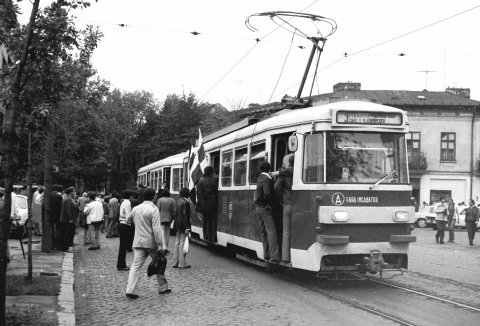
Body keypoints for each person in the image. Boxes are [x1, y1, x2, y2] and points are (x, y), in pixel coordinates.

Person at [125, 187, 170, 299]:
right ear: (154, 197)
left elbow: (128, 220)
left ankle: (130, 290)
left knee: (135, 266)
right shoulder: (153, 209)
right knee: (159, 263)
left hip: (138, 241)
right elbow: (156, 229)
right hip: (150, 243)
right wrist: (160, 244)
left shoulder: (136, 208)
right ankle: (163, 287)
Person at [255, 161, 280, 262]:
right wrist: (269, 204)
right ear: (269, 169)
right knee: (271, 232)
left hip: (259, 207)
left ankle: (267, 254)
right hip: (265, 208)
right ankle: (274, 256)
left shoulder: (260, 177)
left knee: (264, 232)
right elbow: (268, 193)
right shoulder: (266, 179)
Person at [274, 154, 294, 263]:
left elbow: (276, 187)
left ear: (288, 163)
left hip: (287, 203)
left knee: (286, 231)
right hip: (299, 204)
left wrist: (281, 199)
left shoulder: (284, 174)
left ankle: (286, 257)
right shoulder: (302, 171)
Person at [196, 166, 219, 243]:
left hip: (204, 205)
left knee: (206, 221)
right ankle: (213, 238)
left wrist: (199, 207)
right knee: (213, 222)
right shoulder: (215, 180)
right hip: (213, 204)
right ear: (212, 173)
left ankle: (206, 237)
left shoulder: (200, 181)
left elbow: (198, 194)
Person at [172, 187, 192, 269]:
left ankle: (175, 262)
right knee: (182, 243)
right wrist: (187, 227)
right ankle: (182, 263)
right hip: (183, 225)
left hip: (177, 225)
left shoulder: (179, 201)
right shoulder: (186, 203)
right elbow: (185, 215)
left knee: (177, 243)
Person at [117, 190, 133, 270]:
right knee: (123, 247)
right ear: (130, 196)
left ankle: (121, 264)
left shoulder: (123, 202)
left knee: (122, 246)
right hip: (125, 225)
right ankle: (121, 265)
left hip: (121, 224)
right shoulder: (128, 203)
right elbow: (128, 217)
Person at [59, 187, 78, 252]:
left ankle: (67, 246)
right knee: (68, 233)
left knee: (69, 233)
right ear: (70, 192)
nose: (75, 193)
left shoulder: (70, 199)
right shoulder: (67, 200)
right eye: (74, 191)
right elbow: (68, 210)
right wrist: (70, 218)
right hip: (67, 220)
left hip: (69, 219)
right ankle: (65, 247)